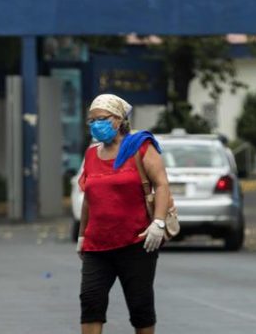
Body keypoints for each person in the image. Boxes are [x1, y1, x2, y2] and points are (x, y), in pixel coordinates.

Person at [77, 94, 171, 334]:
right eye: (91, 121)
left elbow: (161, 184)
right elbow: (89, 198)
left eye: (101, 119)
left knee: (140, 308)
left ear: (118, 120)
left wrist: (158, 222)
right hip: (97, 247)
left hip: (136, 244)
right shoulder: (90, 155)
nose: (95, 125)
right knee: (90, 304)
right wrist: (81, 237)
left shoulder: (140, 147)